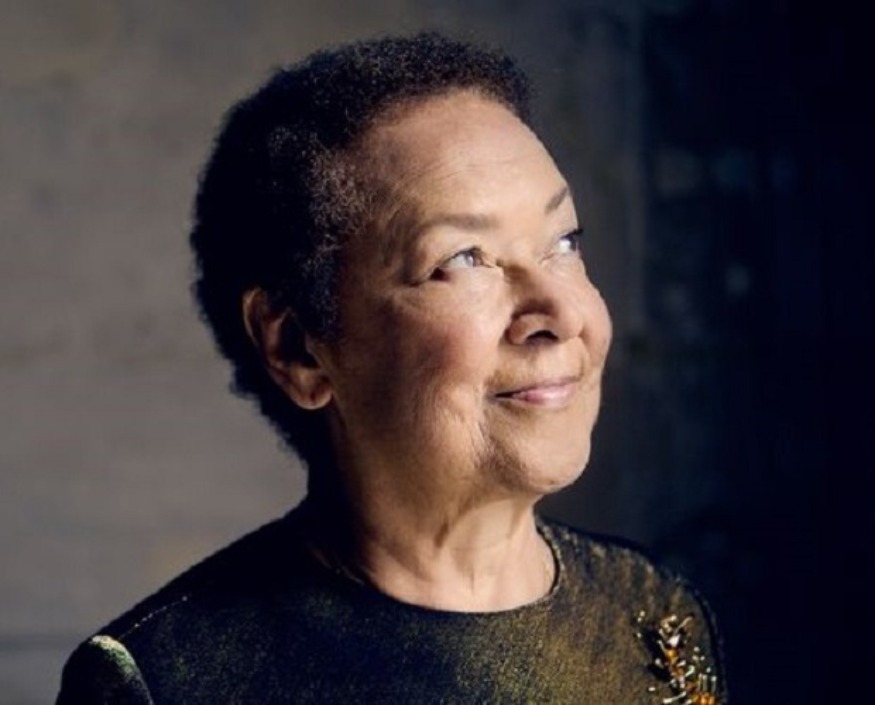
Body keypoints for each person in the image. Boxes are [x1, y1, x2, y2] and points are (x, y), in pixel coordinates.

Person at [56, 33, 726, 704]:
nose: (561, 312)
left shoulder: (651, 617)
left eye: (563, 242)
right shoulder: (167, 680)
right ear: (298, 347)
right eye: (461, 260)